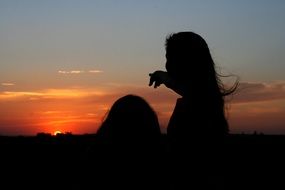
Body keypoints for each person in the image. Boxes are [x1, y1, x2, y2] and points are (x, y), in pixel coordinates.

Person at [149, 31, 238, 189]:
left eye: (170, 58)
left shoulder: (202, 105)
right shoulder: (208, 101)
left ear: (187, 61)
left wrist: (167, 79)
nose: (167, 65)